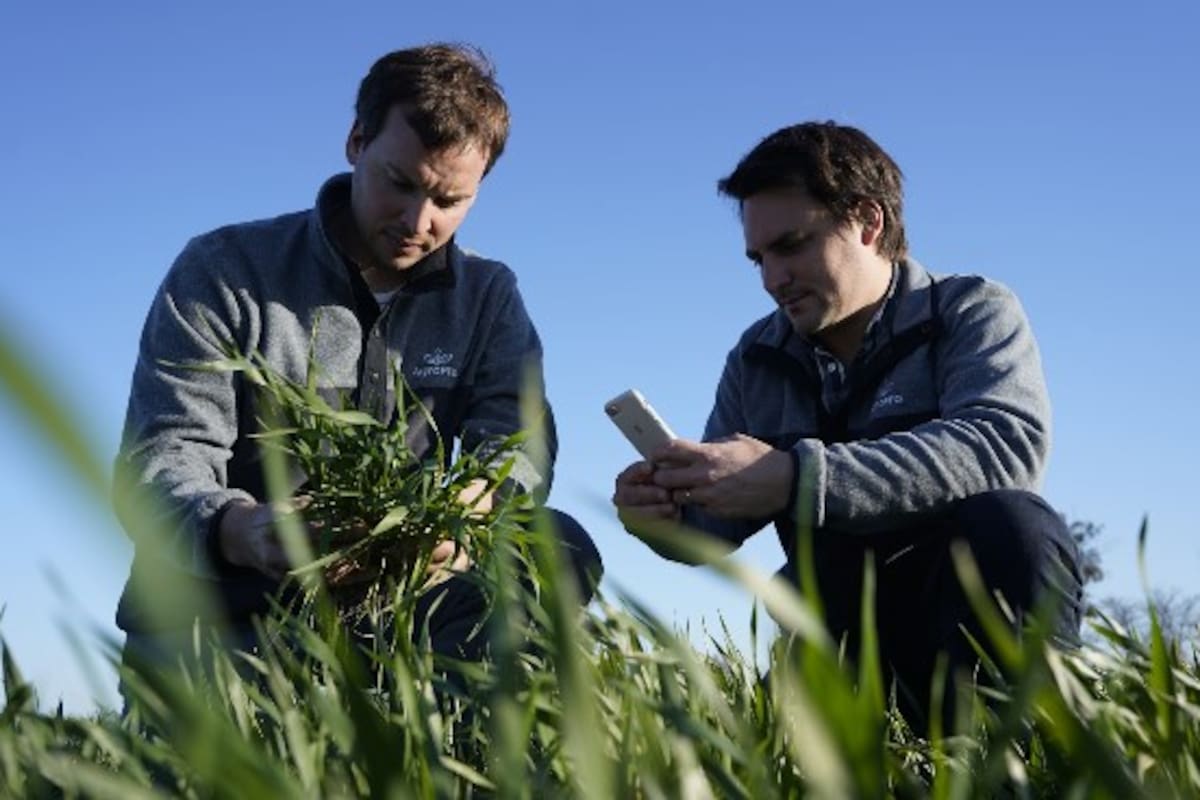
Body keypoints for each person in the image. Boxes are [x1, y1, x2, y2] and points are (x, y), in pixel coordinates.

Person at [113, 43, 601, 679]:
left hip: (395, 606)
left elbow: (515, 444)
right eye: (399, 184)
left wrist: (461, 519)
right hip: (219, 611)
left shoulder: (488, 298)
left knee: (557, 548)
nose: (418, 221)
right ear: (356, 142)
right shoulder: (223, 271)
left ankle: (469, 749)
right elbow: (162, 456)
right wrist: (243, 529)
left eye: (449, 201)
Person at [612, 121, 1081, 729]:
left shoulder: (971, 310)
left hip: (958, 613)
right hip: (834, 625)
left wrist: (795, 476)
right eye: (758, 258)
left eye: (792, 246)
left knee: (1016, 527)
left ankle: (1029, 749)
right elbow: (716, 526)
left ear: (867, 220)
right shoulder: (755, 356)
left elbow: (1002, 447)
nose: (771, 279)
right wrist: (662, 517)